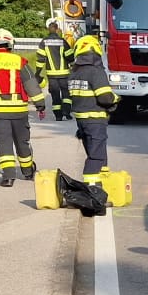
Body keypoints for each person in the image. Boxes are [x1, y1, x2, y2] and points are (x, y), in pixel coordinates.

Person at [0, 28, 49, 187]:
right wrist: (40, 105)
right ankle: (28, 171)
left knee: (3, 142)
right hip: (19, 110)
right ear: (10, 44)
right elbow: (31, 85)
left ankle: (8, 176)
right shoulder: (19, 61)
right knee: (22, 141)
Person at [65, 33, 118, 191]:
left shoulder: (74, 72)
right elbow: (105, 98)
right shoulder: (95, 71)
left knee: (96, 153)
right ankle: (93, 190)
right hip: (95, 119)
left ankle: (102, 185)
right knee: (96, 156)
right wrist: (115, 101)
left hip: (82, 120)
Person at [34, 19, 73, 116]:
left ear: (48, 29)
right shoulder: (62, 41)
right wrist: (73, 67)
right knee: (66, 94)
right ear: (57, 29)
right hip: (64, 74)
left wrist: (37, 73)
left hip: (51, 75)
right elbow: (70, 56)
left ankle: (58, 115)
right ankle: (66, 112)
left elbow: (40, 60)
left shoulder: (44, 42)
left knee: (55, 95)